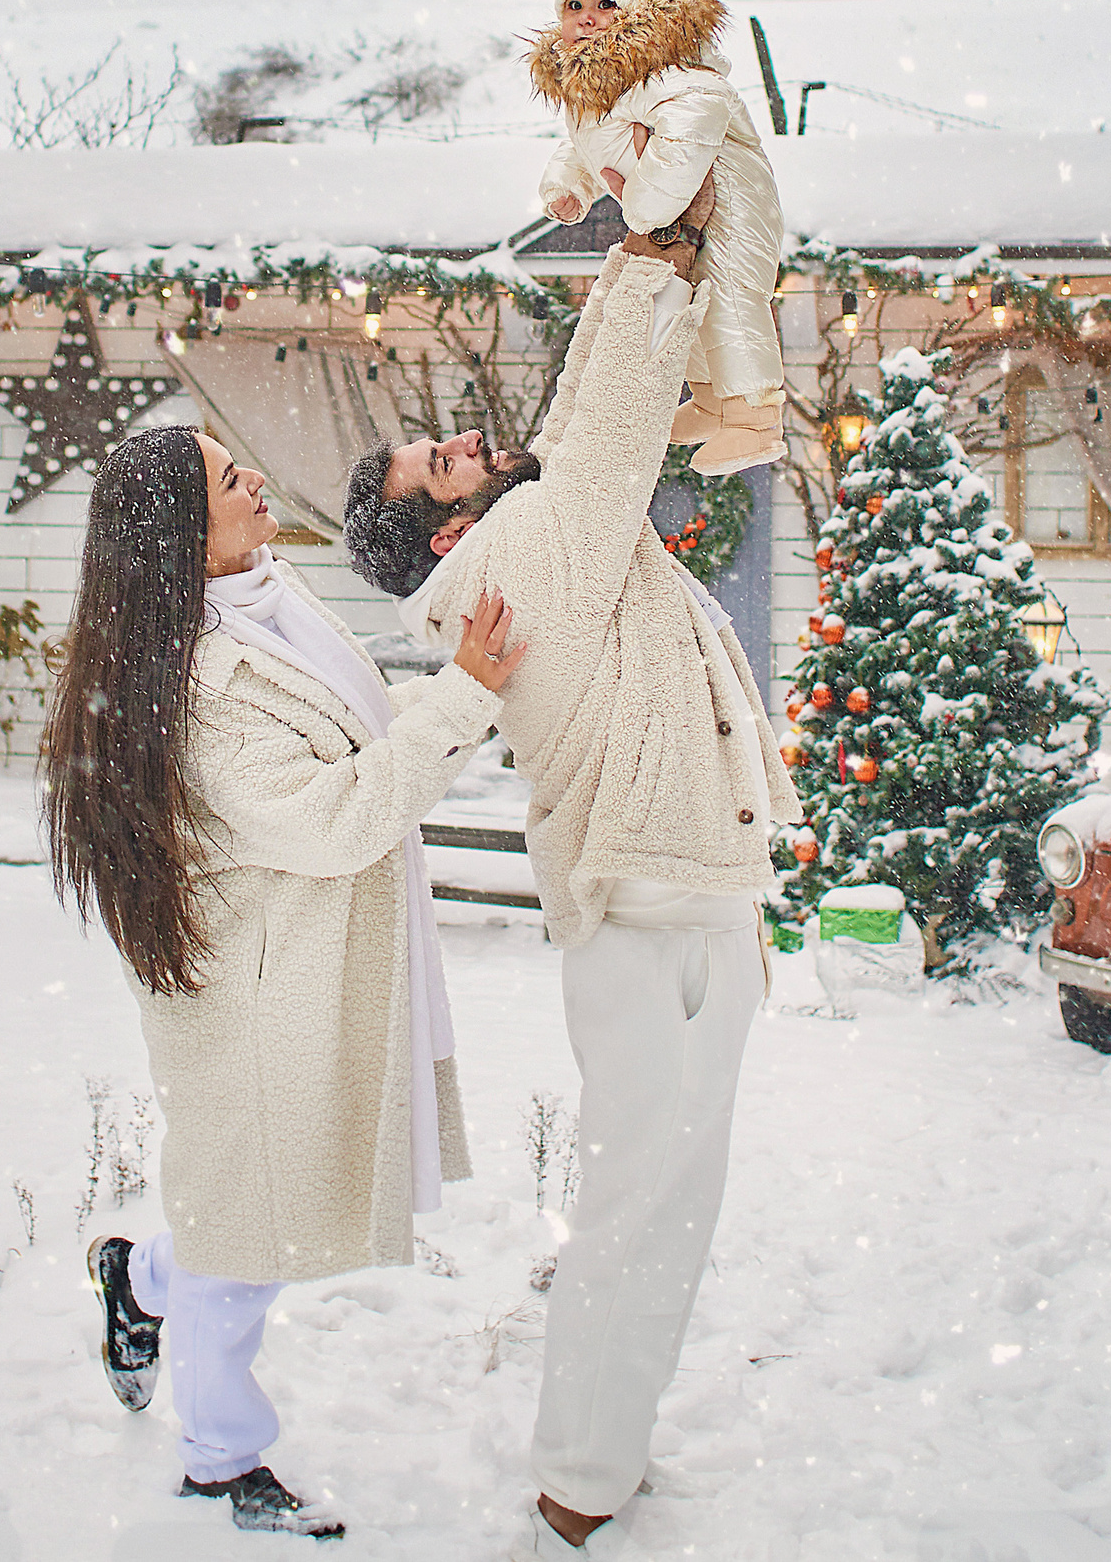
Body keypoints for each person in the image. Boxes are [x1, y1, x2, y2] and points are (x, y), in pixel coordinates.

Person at [341, 178, 801, 1556]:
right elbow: (598, 438)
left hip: (678, 907)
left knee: (661, 1202)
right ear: (445, 531)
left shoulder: (523, 529)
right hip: (655, 920)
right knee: (643, 1208)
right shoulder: (517, 555)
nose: (461, 441)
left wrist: (635, 260)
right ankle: (578, 1484)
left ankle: (603, 1454)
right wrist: (652, 255)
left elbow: (564, 434)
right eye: (437, 463)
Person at [43, 424, 523, 1539]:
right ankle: (218, 1460)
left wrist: (462, 691)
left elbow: (358, 736)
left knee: (254, 1213)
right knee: (246, 1237)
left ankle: (138, 1280)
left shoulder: (264, 594)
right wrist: (464, 697)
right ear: (182, 533)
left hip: (305, 958)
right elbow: (336, 814)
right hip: (253, 993)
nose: (254, 476)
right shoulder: (193, 681)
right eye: (228, 477)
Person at [525, 0, 786, 478]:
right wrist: (569, 185)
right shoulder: (598, 83)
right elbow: (589, 142)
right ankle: (713, 402)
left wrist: (646, 203)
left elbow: (697, 120)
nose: (587, 18)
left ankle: (754, 418)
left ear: (641, 12)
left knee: (728, 298)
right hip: (680, 207)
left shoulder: (668, 73)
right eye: (574, 5)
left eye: (606, 5)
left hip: (732, 203)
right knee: (689, 299)